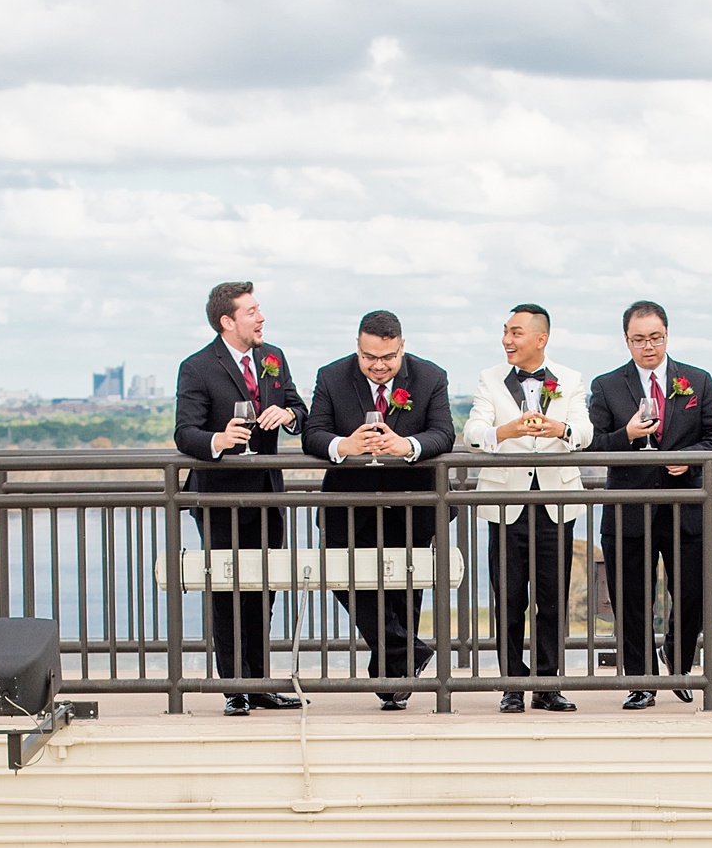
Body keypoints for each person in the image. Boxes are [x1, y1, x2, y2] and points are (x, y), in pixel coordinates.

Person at [302, 311, 456, 709]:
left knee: (404, 596)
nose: (379, 365)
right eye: (370, 357)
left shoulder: (430, 377)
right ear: (358, 347)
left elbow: (443, 434)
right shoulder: (332, 376)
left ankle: (393, 686)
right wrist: (344, 446)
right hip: (348, 508)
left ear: (401, 347)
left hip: (412, 507)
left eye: (387, 357)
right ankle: (410, 653)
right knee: (344, 578)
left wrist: (408, 447)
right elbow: (313, 434)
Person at [588, 302, 712, 710]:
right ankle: (641, 680)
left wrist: (690, 456)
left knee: (691, 592)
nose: (649, 346)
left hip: (686, 505)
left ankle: (678, 661)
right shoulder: (607, 384)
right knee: (631, 598)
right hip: (629, 507)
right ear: (626, 340)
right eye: (639, 339)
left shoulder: (697, 380)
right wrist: (626, 435)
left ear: (667, 334)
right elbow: (594, 445)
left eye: (656, 338)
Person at [174, 282, 305, 716]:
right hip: (219, 498)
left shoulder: (273, 358)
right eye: (251, 311)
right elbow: (184, 432)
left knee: (264, 591)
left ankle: (260, 683)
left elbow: (300, 410)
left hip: (268, 494)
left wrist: (287, 415)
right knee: (228, 592)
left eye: (259, 308)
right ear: (227, 321)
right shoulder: (196, 367)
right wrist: (219, 438)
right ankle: (235, 688)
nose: (261, 317)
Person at [464, 304, 593, 712]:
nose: (507, 340)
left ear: (541, 338)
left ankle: (548, 685)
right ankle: (512, 686)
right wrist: (505, 431)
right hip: (506, 504)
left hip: (556, 504)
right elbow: (471, 433)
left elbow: (585, 432)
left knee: (553, 599)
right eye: (505, 331)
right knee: (509, 598)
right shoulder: (489, 379)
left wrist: (562, 430)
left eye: (516, 333)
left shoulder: (570, 379)